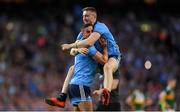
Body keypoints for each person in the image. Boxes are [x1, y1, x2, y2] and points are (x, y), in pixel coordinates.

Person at [61, 7, 121, 105]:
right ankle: (62, 96)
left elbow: (89, 42)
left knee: (107, 66)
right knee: (73, 68)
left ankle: (106, 92)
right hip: (99, 59)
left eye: (87, 16)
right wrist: (76, 49)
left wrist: (70, 45)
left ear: (94, 17)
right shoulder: (84, 32)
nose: (84, 18)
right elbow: (73, 51)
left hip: (112, 56)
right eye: (83, 16)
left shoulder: (100, 27)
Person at [45, 23, 108, 111]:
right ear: (83, 32)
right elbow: (104, 61)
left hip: (76, 86)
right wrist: (105, 48)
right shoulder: (89, 46)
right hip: (80, 86)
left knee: (72, 68)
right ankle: (61, 97)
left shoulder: (80, 42)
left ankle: (62, 97)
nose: (90, 34)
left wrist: (75, 49)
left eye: (92, 32)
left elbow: (72, 51)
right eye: (88, 32)